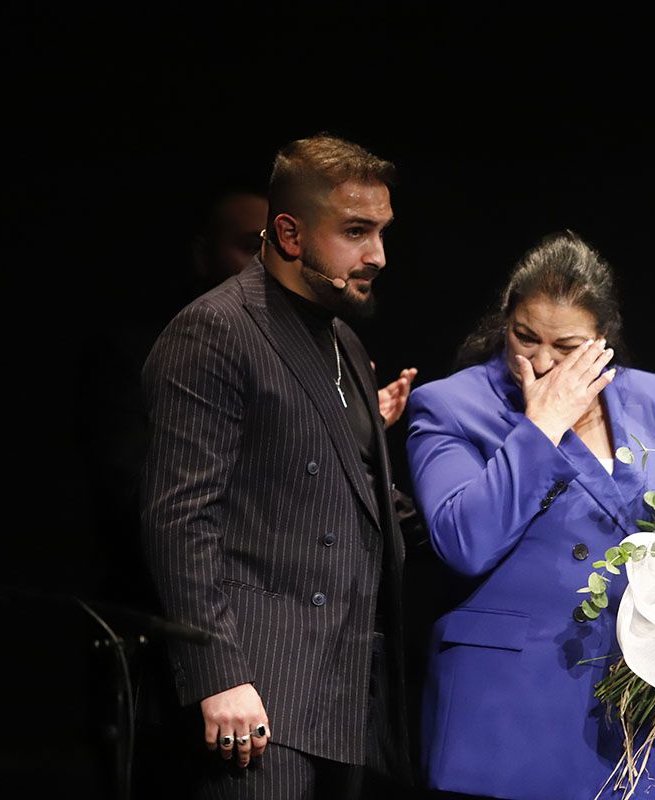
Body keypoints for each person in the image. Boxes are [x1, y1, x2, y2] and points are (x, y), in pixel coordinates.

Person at [140, 134, 415, 797]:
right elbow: (178, 517)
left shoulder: (342, 337)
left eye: (380, 231)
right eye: (355, 231)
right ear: (289, 233)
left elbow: (361, 500)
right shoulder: (216, 330)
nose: (376, 254)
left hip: (340, 690)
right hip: (256, 693)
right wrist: (218, 672)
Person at [405, 231, 655, 800]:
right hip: (507, 715)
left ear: (603, 340)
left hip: (627, 715)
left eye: (566, 348)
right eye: (525, 337)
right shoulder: (451, 406)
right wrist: (541, 426)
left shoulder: (654, 400)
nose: (540, 362)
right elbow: (464, 540)